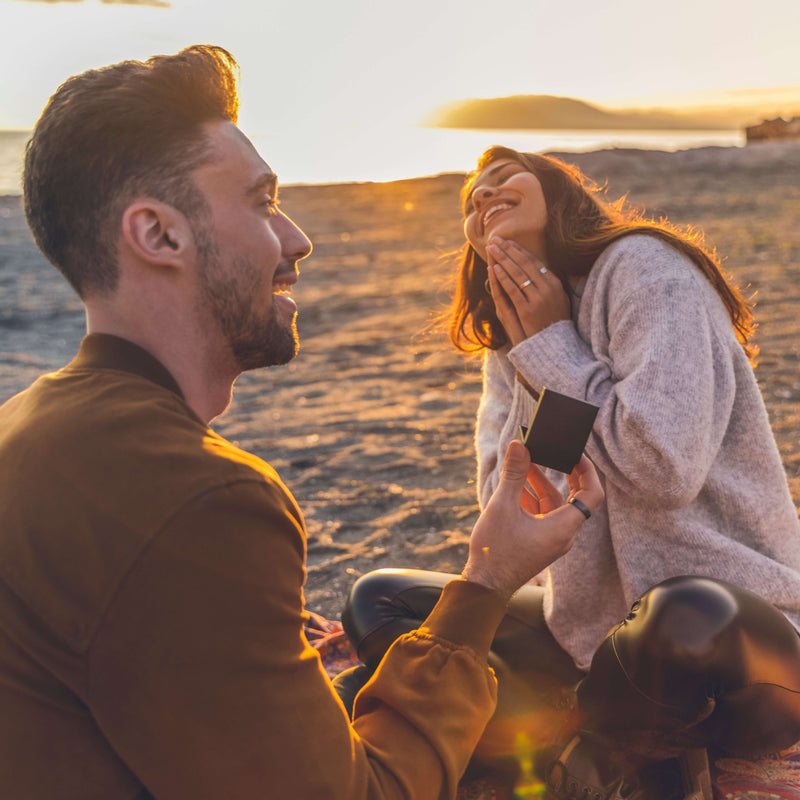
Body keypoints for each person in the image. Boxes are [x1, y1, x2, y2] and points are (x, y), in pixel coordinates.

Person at [0, 49, 604, 799]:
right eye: (261, 202)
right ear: (157, 236)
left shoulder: (24, 426)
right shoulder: (201, 501)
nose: (296, 240)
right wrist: (485, 580)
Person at [341, 147, 800, 797]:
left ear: (559, 194)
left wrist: (553, 347)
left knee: (683, 619)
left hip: (736, 636)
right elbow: (517, 506)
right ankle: (603, 735)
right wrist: (535, 348)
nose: (483, 196)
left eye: (505, 178)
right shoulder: (514, 333)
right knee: (377, 600)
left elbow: (663, 471)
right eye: (472, 197)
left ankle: (582, 747)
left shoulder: (647, 272)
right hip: (587, 634)